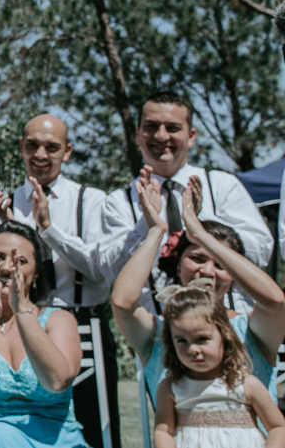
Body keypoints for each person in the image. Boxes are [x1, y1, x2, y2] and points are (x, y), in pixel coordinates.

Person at [0, 114, 118, 448]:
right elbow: (3, 274)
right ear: (21, 147)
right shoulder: (3, 205)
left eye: (51, 147)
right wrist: (12, 226)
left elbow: (100, 270)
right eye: (32, 145)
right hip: (26, 325)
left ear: (68, 151)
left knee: (97, 428)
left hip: (84, 323)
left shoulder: (91, 200)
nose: (41, 154)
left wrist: (48, 229)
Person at [110, 169, 285, 405]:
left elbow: (275, 301)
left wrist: (200, 235)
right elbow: (122, 302)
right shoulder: (158, 333)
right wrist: (156, 230)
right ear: (177, 264)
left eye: (221, 264)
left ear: (234, 274)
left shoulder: (252, 329)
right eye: (198, 259)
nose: (208, 271)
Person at [99, 91, 273, 313]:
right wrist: (146, 223)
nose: (161, 136)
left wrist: (201, 223)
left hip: (228, 322)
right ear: (137, 134)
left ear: (191, 136)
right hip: (157, 329)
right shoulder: (119, 201)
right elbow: (111, 273)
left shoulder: (221, 185)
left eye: (172, 128)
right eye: (151, 127)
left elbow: (261, 254)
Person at [0, 221, 88, 448]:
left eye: (19, 261)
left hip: (55, 439)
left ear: (35, 275)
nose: (6, 268)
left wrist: (21, 309)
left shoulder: (59, 319)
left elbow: (57, 382)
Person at [151, 280, 284, 448]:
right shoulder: (171, 387)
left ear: (224, 336)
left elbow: (277, 426)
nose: (192, 349)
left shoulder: (245, 384)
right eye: (181, 340)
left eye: (202, 339)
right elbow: (163, 432)